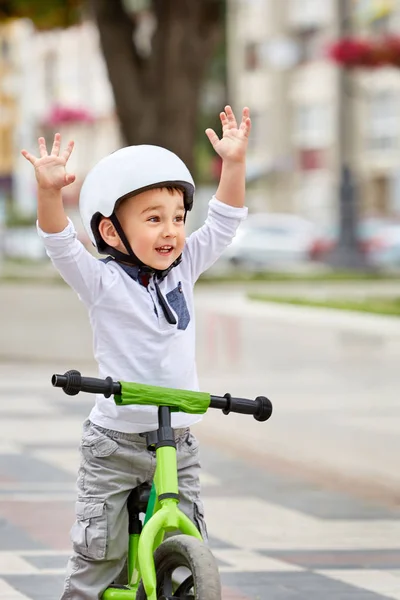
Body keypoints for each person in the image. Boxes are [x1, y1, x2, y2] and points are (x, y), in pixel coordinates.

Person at [22, 105, 251, 599]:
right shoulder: (102, 282)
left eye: (177, 217)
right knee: (99, 558)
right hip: (116, 443)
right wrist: (48, 192)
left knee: (184, 544)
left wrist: (233, 165)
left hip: (178, 436)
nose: (171, 230)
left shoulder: (185, 266)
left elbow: (226, 222)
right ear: (111, 232)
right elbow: (61, 243)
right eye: (153, 219)